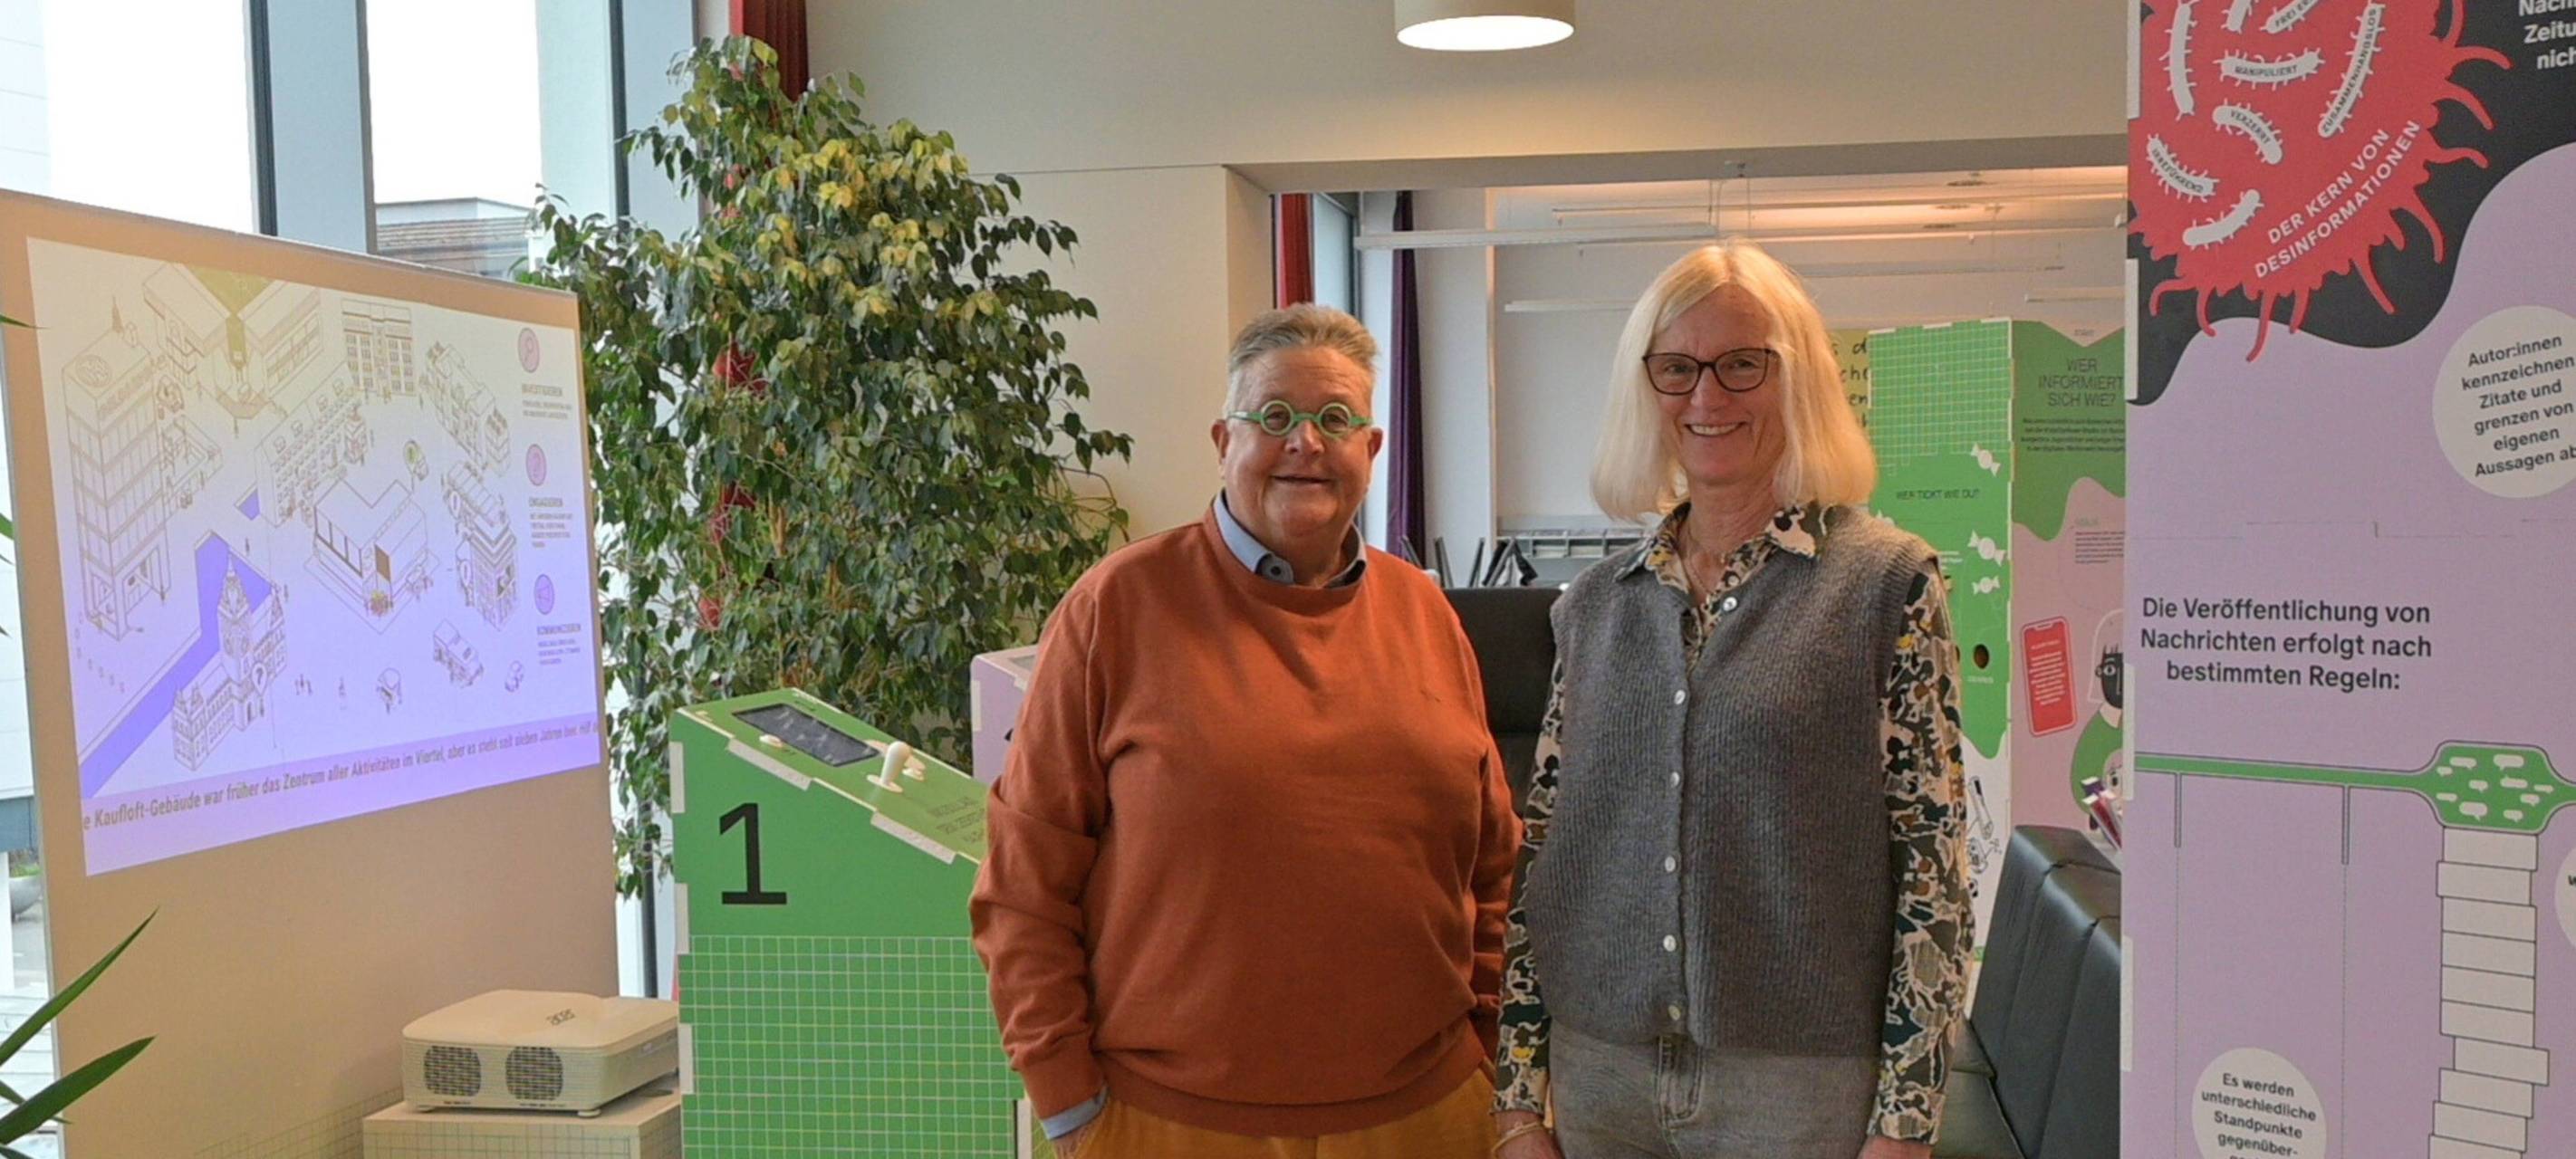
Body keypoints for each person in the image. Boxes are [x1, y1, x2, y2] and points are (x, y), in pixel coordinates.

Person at [973, 303, 1523, 1159]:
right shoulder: (1116, 608)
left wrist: (1490, 1062)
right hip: (1169, 1125)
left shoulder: (1426, 613)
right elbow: (1024, 883)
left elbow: (1492, 865)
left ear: (1371, 453)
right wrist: (1071, 1108)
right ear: (1224, 442)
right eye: (1274, 417)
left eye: (1336, 419)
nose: (1305, 441)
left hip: (1429, 1115)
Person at [1490, 244, 1972, 1159]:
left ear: (1799, 378)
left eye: (1743, 362)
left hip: (1797, 1090)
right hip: (1602, 1078)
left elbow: (1933, 866)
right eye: (1677, 367)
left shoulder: (1885, 585)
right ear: (1648, 388)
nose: (1708, 397)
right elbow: (1544, 853)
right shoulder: (1595, 605)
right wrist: (1518, 1095)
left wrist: (1905, 1120)